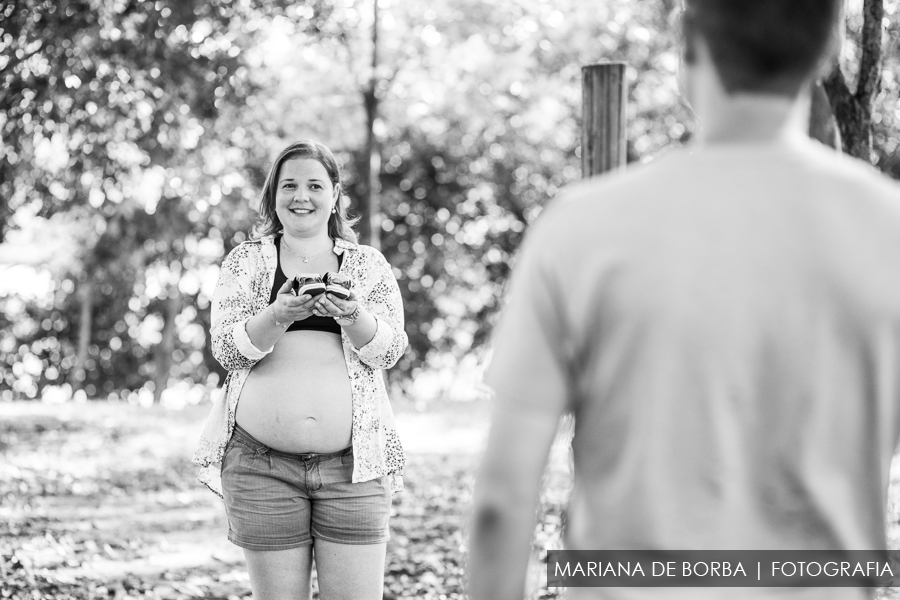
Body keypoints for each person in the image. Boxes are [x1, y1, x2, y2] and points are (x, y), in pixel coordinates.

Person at [469, 0, 900, 599]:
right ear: (831, 50)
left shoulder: (584, 228)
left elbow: (503, 499)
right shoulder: (887, 230)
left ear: (687, 39)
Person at [193, 140, 408, 600]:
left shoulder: (368, 265)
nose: (301, 196)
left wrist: (353, 316)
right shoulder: (246, 261)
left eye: (314, 185)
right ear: (274, 194)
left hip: (355, 468)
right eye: (289, 185)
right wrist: (278, 315)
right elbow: (227, 352)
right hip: (261, 466)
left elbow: (389, 352)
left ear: (334, 195)